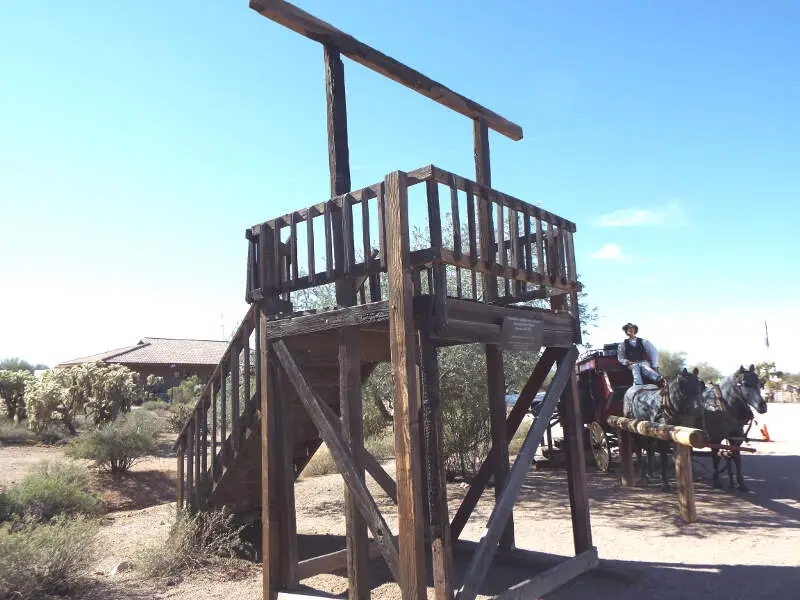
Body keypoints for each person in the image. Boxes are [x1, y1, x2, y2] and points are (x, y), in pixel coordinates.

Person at [617, 323, 665, 387]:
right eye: (628, 329)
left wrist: (654, 366)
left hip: (643, 362)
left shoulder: (644, 341)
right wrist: (627, 362)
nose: (630, 329)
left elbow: (653, 351)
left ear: (635, 330)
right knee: (635, 367)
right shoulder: (622, 344)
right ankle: (638, 385)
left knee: (645, 367)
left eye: (632, 328)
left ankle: (659, 379)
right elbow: (621, 357)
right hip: (631, 364)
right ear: (626, 331)